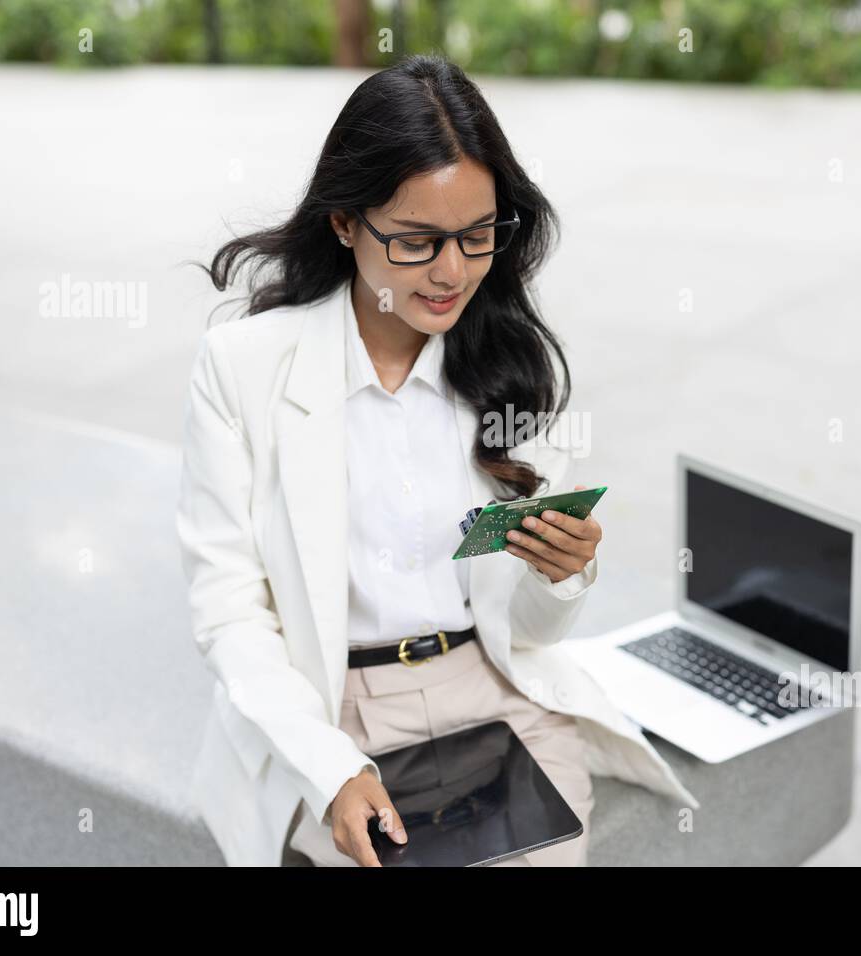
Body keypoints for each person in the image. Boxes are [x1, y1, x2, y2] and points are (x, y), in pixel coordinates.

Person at [178, 53, 608, 867]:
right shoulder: (243, 368)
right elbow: (229, 610)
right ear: (345, 223)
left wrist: (561, 575)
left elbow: (523, 626)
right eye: (417, 242)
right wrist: (333, 771)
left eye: (478, 237)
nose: (453, 272)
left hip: (489, 689)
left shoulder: (502, 365)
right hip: (329, 705)